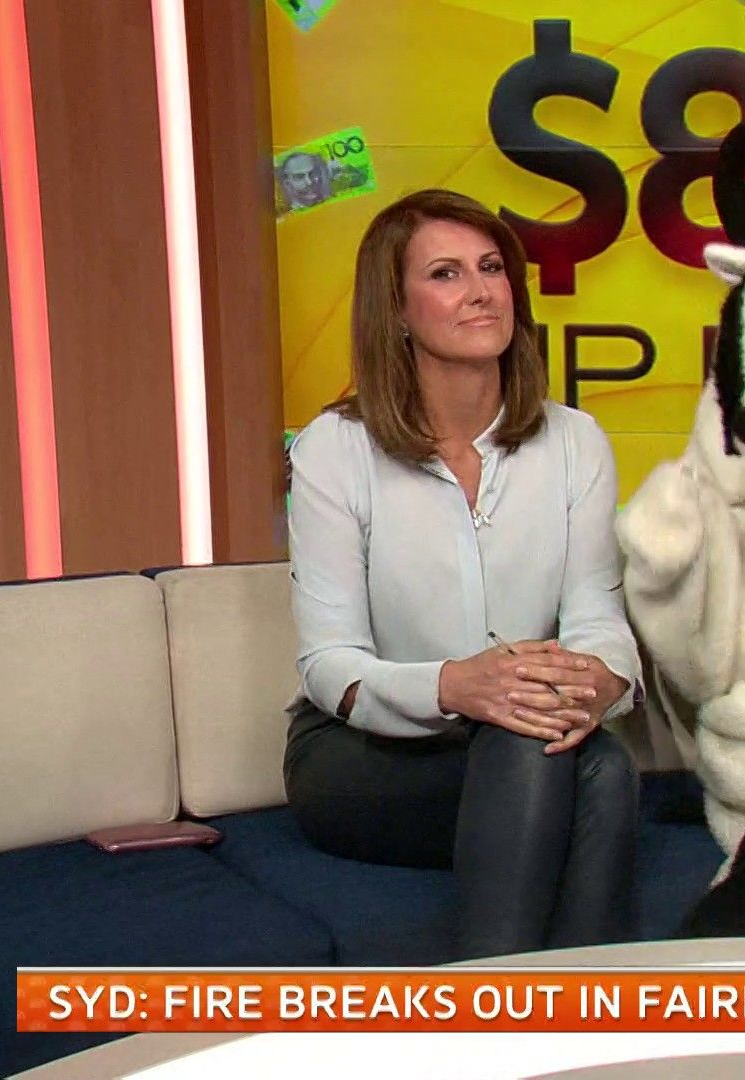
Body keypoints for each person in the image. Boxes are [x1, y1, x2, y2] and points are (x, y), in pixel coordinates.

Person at [285, 188, 643, 959]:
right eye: (446, 274)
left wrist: (599, 682)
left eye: (491, 268)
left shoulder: (575, 442)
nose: (481, 291)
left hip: (517, 740)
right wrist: (456, 686)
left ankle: (519, 1012)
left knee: (597, 764)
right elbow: (330, 665)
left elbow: (597, 616)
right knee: (573, 762)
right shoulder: (333, 450)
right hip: (365, 757)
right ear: (396, 310)